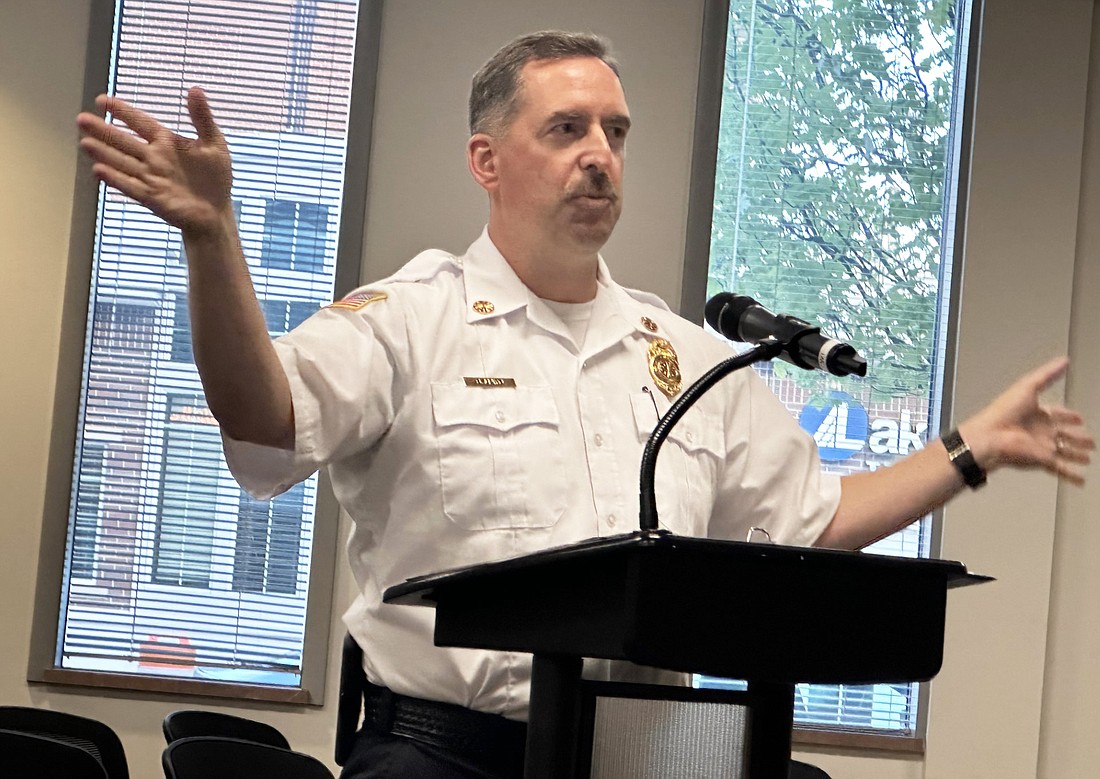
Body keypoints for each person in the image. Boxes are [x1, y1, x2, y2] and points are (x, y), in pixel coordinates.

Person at [78, 30, 1092, 779]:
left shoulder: (686, 356)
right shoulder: (409, 319)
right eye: (564, 128)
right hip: (448, 757)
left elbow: (811, 519)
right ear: (487, 161)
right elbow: (264, 419)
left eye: (613, 130)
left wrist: (968, 448)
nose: (598, 151)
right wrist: (212, 238)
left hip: (652, 754)